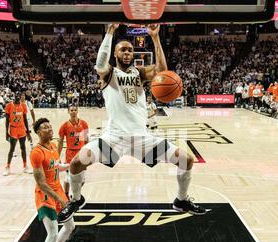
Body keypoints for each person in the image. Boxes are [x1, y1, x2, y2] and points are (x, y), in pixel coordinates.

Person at [58, 24, 206, 223]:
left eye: (130, 50)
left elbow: (163, 72)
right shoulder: (108, 74)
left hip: (141, 138)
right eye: (123, 50)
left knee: (186, 160)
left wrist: (155, 37)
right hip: (114, 137)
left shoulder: (140, 74)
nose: (127, 52)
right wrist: (110, 32)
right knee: (76, 163)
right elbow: (100, 64)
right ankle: (76, 199)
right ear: (116, 54)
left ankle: (181, 200)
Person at [30, 118, 75, 242]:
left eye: (50, 126)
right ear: (38, 132)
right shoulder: (36, 152)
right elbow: (41, 183)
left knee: (70, 226)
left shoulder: (54, 146)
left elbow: (57, 166)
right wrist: (59, 198)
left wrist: (71, 164)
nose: (49, 129)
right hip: (45, 195)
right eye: (45, 128)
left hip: (58, 191)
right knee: (53, 233)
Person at [57, 105, 89, 198]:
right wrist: (57, 156)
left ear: (77, 111)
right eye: (71, 110)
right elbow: (60, 142)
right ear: (68, 112)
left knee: (82, 179)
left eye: (75, 110)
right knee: (68, 178)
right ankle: (66, 196)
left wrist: (88, 152)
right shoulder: (64, 126)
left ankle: (75, 194)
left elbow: (86, 139)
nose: (73, 112)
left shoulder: (84, 124)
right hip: (70, 154)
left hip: (81, 153)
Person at [3, 92, 33, 176]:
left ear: (21, 97)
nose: (17, 97)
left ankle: (25, 166)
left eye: (19, 96)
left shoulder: (23, 105)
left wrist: (28, 132)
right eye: (16, 96)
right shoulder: (9, 105)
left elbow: (25, 119)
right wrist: (6, 132)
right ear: (14, 96)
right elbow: (7, 120)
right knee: (12, 149)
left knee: (23, 148)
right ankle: (7, 167)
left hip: (22, 129)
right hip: (13, 129)